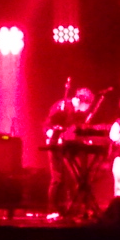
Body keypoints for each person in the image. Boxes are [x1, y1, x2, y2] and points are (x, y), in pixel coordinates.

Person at [45, 84, 96, 217]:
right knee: (57, 178)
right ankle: (52, 210)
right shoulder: (62, 106)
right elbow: (48, 125)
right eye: (87, 105)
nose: (87, 109)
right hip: (55, 145)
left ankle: (72, 209)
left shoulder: (77, 113)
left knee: (74, 177)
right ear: (81, 101)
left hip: (67, 146)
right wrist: (54, 136)